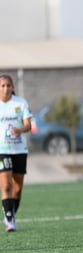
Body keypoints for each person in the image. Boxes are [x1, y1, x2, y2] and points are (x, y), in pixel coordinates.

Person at [0, 74, 32, 232]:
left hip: (19, 149)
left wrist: (18, 130)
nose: (6, 88)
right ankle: (10, 222)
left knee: (17, 188)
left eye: (8, 85)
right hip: (2, 151)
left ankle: (9, 214)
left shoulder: (20, 103)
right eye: (3, 85)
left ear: (13, 87)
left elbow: (28, 125)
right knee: (6, 186)